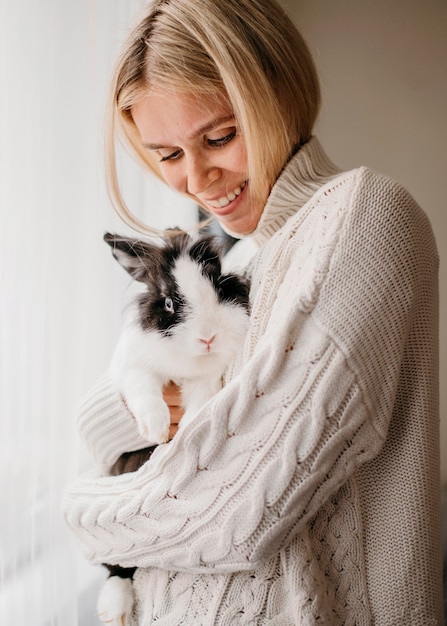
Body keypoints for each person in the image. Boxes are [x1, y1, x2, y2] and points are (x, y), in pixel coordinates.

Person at [62, 0, 443, 624]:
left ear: (280, 93)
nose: (197, 177)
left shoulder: (364, 218)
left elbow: (237, 511)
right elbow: (103, 420)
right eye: (167, 154)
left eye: (220, 136)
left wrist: (80, 509)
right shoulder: (235, 266)